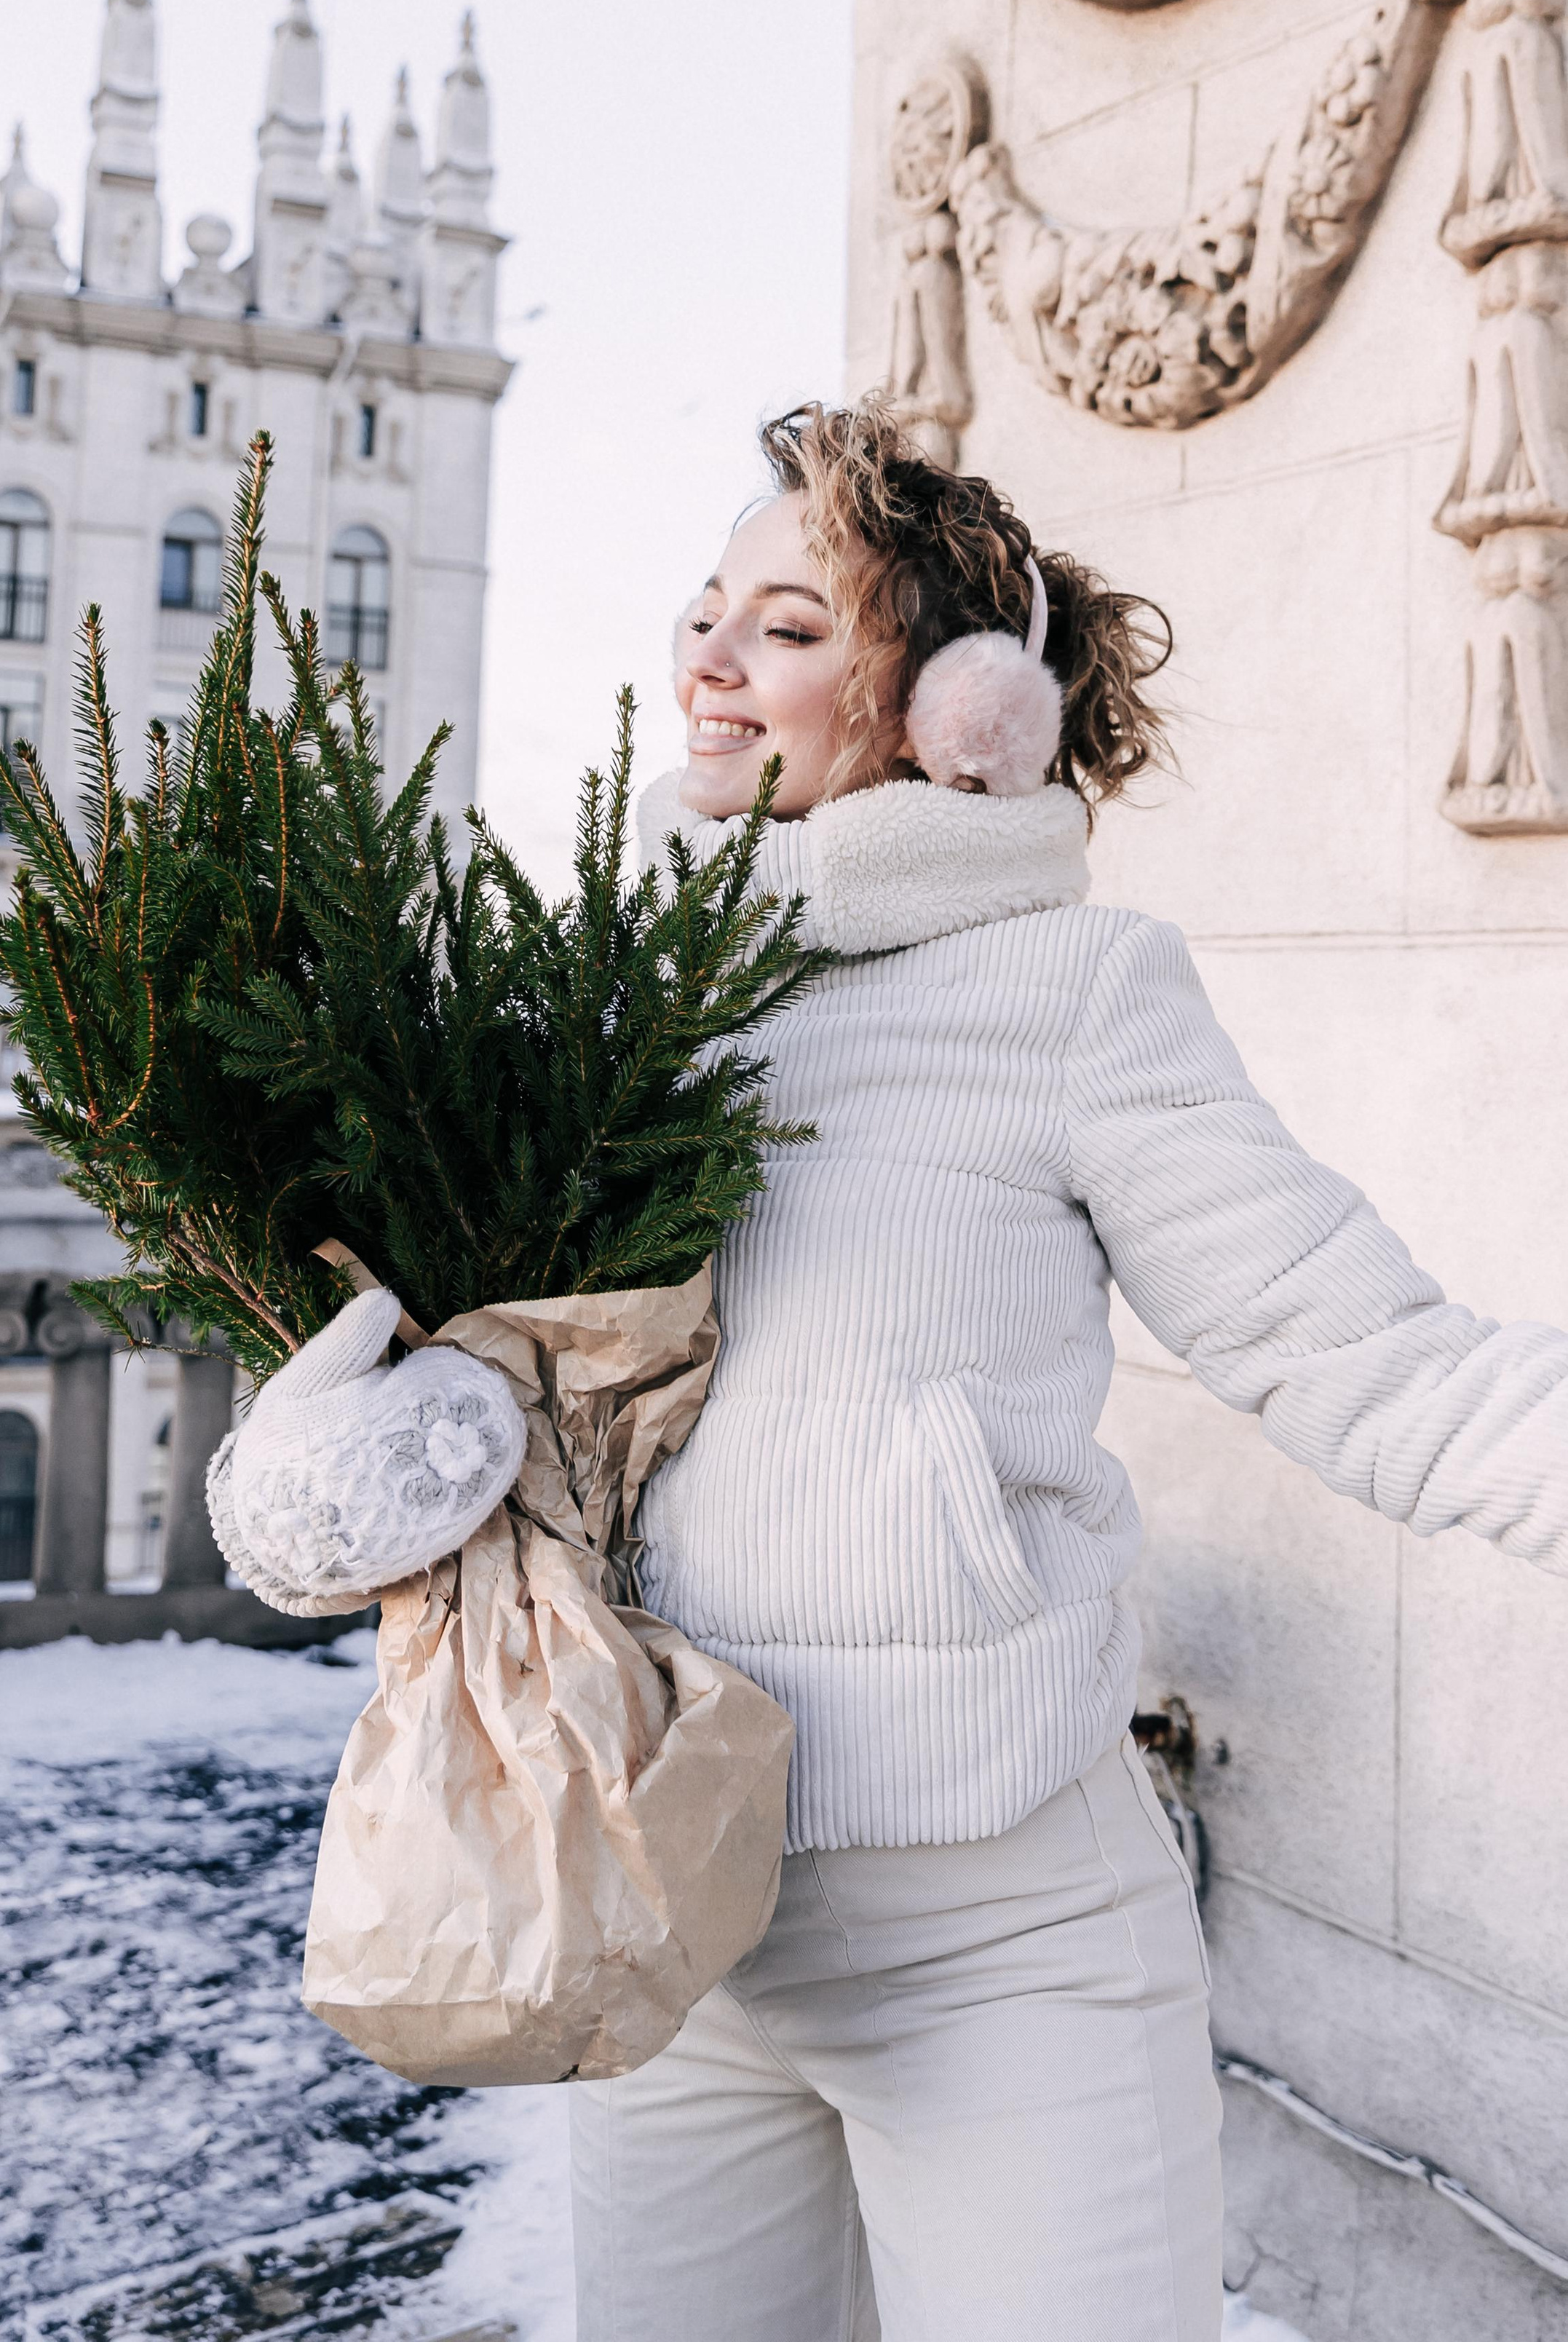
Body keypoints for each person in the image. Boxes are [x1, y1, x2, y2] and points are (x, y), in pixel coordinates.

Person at [568, 397, 1568, 2342]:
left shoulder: (1071, 995)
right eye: (706, 609)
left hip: (998, 1946)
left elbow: (1367, 1361)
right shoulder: (612, 1004)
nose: (710, 655)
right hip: (664, 1920)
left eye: (788, 625)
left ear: (958, 711)